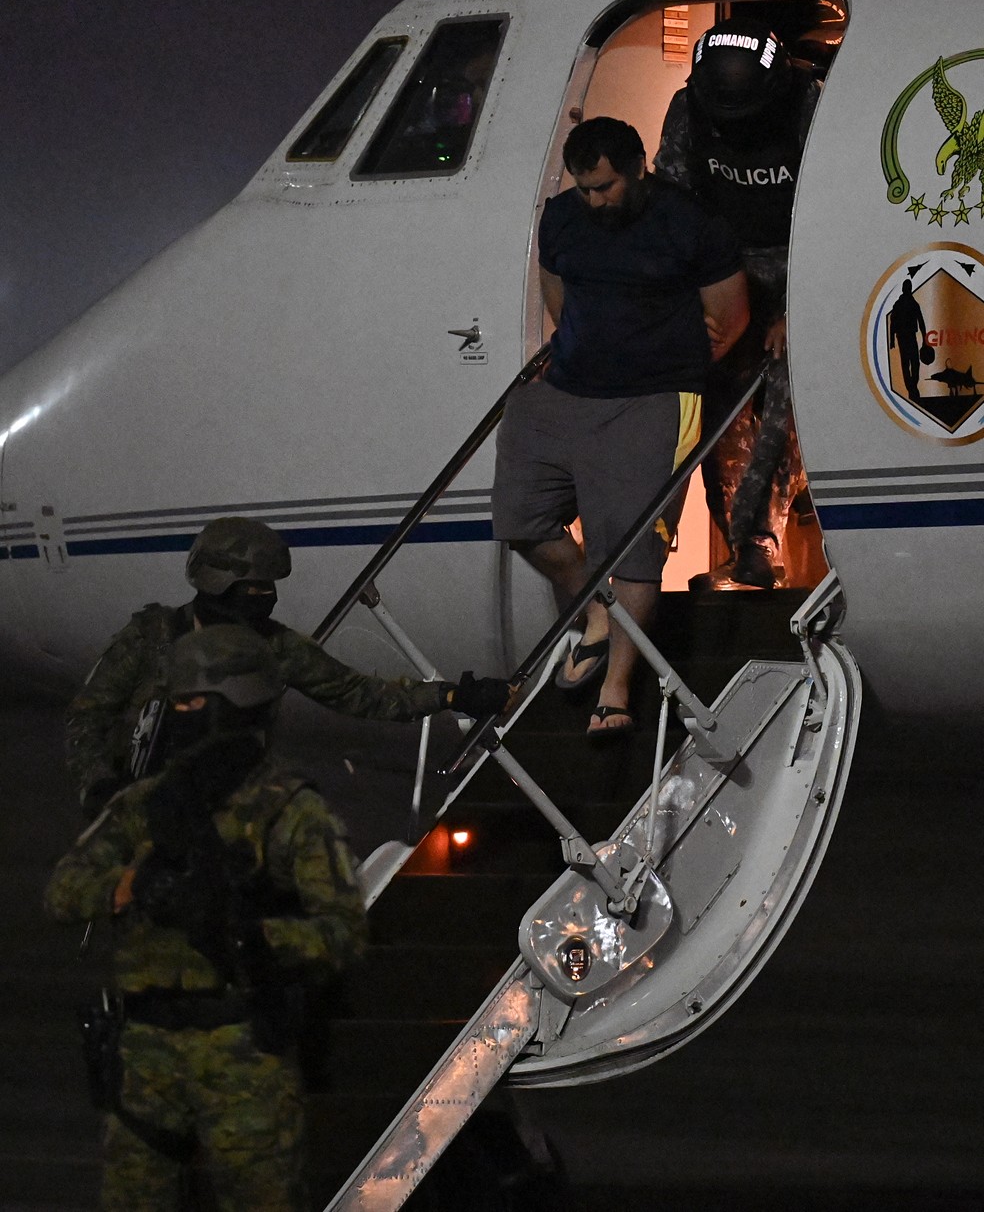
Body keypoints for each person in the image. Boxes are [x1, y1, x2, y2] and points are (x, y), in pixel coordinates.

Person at [46, 622, 367, 1211]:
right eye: (178, 704)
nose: (180, 716)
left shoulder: (292, 812)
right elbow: (65, 892)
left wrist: (246, 934)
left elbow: (343, 933)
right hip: (145, 1053)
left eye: (193, 704)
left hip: (244, 1050)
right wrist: (135, 886)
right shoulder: (148, 804)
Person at [491, 116, 748, 737]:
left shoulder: (685, 222)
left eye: (604, 187)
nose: (593, 200)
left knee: (634, 547)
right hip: (572, 386)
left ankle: (616, 685)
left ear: (637, 169)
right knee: (519, 516)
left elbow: (731, 315)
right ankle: (597, 607)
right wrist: (585, 345)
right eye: (584, 188)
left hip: (654, 396)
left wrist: (664, 357)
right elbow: (555, 288)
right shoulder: (563, 217)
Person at [67, 516, 510, 818]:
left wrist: (450, 696)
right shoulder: (152, 637)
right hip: (151, 808)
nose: (265, 598)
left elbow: (362, 695)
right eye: (253, 587)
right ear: (217, 583)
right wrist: (98, 784)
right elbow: (90, 715)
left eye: (268, 587)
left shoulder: (276, 647)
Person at [654, 21, 821, 590]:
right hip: (724, 271)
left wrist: (800, 305)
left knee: (782, 408)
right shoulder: (689, 111)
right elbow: (673, 205)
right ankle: (746, 547)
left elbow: (834, 208)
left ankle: (764, 543)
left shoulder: (809, 106)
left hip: (801, 266)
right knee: (719, 412)